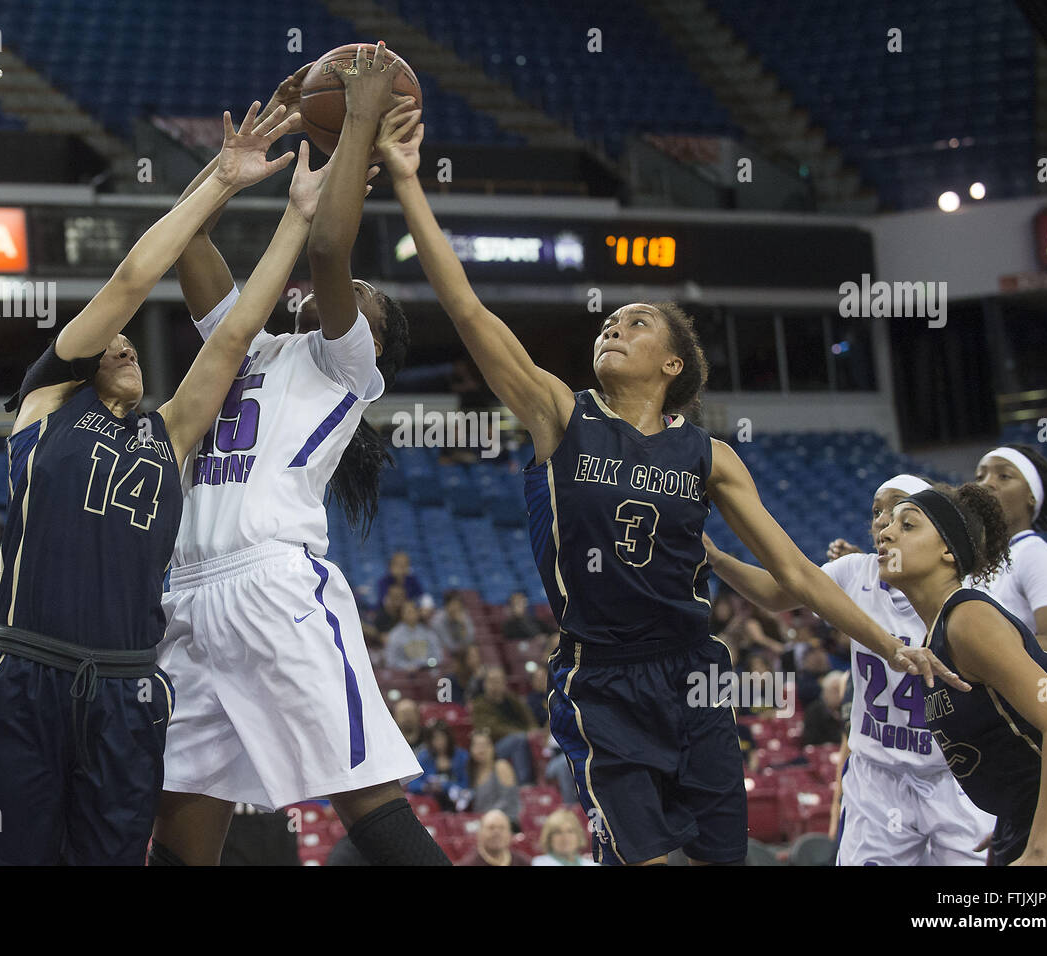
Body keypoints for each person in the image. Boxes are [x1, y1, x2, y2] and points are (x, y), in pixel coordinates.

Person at [376, 99, 962, 865]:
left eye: (634, 322)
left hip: (696, 679)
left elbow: (790, 581)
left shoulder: (710, 456)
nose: (612, 328)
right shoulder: (560, 414)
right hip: (602, 681)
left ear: (673, 364)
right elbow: (466, 306)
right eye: (607, 322)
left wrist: (890, 645)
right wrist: (409, 183)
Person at [0, 99, 304, 867]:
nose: (128, 348)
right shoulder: (46, 405)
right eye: (116, 344)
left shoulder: (167, 435)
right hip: (27, 669)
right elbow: (137, 275)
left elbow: (234, 336)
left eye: (138, 348)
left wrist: (298, 219)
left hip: (126, 688)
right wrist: (218, 183)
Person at [148, 49, 446, 868]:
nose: (339, 296)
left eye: (362, 302)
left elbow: (328, 249)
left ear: (371, 340)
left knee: (370, 808)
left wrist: (355, 117)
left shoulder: (342, 367)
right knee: (178, 832)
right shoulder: (245, 344)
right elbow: (187, 241)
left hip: (276, 586)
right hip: (189, 600)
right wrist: (232, 166)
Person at [706, 473, 994, 865]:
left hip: (954, 779)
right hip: (878, 779)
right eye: (877, 512)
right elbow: (776, 594)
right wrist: (718, 559)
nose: (882, 522)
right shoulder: (855, 572)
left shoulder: (971, 600)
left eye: (899, 514)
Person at [878, 482, 1047, 865]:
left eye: (908, 525)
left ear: (948, 550)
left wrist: (1040, 850)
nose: (886, 532)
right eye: (888, 523)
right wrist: (1012, 816)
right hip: (1026, 816)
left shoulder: (969, 620)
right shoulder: (937, 633)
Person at [973, 445, 1047, 674]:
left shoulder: (1033, 553)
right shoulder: (973, 563)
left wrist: (978, 645)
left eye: (1004, 475)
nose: (986, 483)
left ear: (1031, 496)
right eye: (980, 476)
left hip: (1038, 705)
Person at [469, 666, 537, 784]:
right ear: (485, 684)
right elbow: (493, 729)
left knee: (531, 739)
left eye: (499, 681)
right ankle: (524, 783)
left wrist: (533, 729)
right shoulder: (479, 705)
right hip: (494, 746)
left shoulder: (511, 699)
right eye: (492, 681)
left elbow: (527, 715)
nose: (495, 684)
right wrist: (521, 733)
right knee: (519, 740)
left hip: (519, 735)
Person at [465, 730, 521, 826]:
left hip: (506, 823)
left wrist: (486, 816)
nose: (481, 749)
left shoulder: (501, 766)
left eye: (485, 745)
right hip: (483, 823)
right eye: (477, 745)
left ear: (492, 748)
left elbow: (508, 799)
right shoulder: (472, 772)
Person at [409, 720, 469, 808]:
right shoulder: (424, 757)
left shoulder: (462, 756)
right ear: (430, 740)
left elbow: (466, 784)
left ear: (448, 738)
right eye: (435, 738)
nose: (440, 742)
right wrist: (426, 787)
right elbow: (412, 784)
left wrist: (446, 786)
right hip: (431, 804)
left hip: (456, 802)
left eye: (442, 737)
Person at [384, 601, 446, 671]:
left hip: (428, 671)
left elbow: (439, 656)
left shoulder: (428, 632)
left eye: (414, 611)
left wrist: (428, 663)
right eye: (408, 612)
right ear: (402, 615)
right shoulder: (395, 635)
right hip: (405, 675)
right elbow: (391, 660)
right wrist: (406, 666)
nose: (412, 615)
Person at [457, 808, 532, 866]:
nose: (497, 833)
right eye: (491, 828)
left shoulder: (523, 862)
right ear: (479, 833)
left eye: (502, 828)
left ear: (510, 834)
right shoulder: (468, 863)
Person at [532, 808, 597, 866]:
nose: (565, 837)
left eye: (570, 831)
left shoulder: (592, 864)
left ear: (578, 835)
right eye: (558, 832)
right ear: (549, 838)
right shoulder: (539, 863)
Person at [801, 670, 847, 746]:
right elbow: (811, 741)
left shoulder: (849, 711)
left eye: (841, 690)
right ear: (825, 692)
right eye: (835, 690)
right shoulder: (814, 711)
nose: (839, 694)